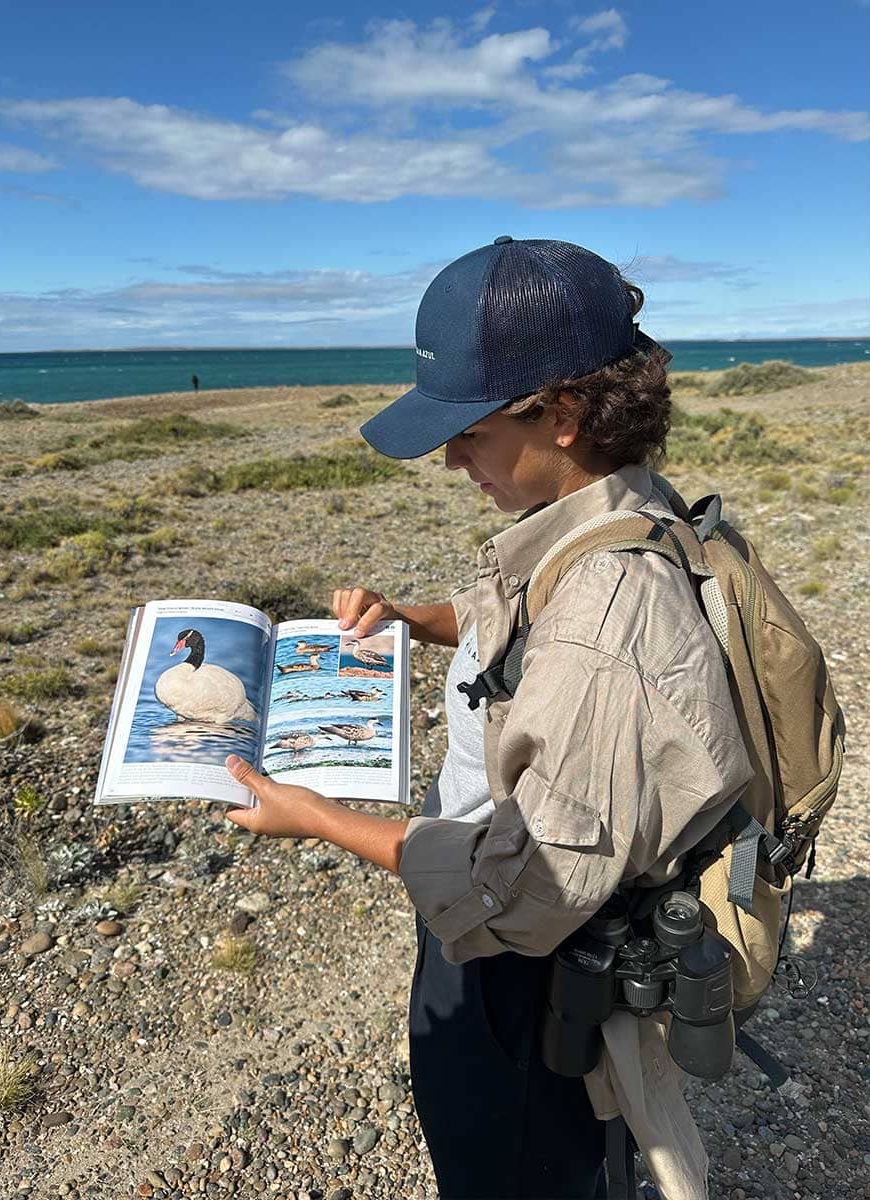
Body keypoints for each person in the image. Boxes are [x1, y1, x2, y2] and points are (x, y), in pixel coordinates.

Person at [224, 238, 752, 1200]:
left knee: (512, 1168)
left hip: (523, 963)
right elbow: (532, 615)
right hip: (512, 920)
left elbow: (521, 894)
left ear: (562, 414)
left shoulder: (608, 620)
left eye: (467, 430)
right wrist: (418, 621)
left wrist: (320, 818)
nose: (449, 458)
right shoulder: (619, 505)